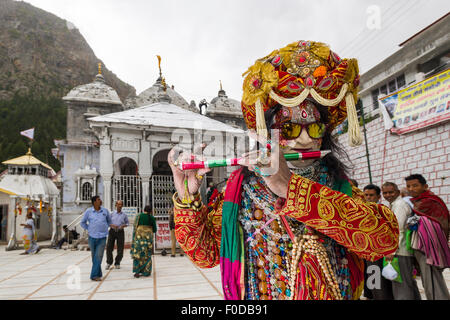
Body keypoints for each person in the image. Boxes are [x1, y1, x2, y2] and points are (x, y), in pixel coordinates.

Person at [168, 40, 399, 300]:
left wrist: (291, 188)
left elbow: (385, 240)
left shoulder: (338, 187)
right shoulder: (243, 188)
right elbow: (205, 255)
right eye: (289, 129)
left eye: (313, 128)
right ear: (270, 134)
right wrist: (187, 199)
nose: (303, 140)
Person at [405, 174, 450, 300]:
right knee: (429, 279)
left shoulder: (429, 201)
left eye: (415, 185)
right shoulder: (418, 201)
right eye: (408, 186)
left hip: (429, 247)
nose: (411, 189)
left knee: (431, 280)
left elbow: (440, 224)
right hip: (423, 245)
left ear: (425, 186)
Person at [381, 182, 421, 300]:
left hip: (399, 251)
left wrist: (391, 251)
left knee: (401, 285)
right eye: (385, 193)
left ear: (398, 192)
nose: (388, 195)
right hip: (401, 250)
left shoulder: (399, 205)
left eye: (391, 192)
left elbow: (398, 230)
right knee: (408, 283)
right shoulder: (395, 204)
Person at [362, 184, 394, 300]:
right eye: (366, 195)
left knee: (381, 281)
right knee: (373, 280)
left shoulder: (383, 211)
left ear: (378, 196)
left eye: (371, 195)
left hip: (380, 252)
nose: (369, 197)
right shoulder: (363, 210)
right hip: (368, 252)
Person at [80, 195, 114, 281]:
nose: (101, 201)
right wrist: (89, 229)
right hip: (92, 237)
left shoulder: (105, 211)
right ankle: (98, 273)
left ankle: (94, 275)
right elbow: (82, 222)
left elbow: (109, 221)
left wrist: (107, 227)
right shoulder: (88, 211)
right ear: (94, 202)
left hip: (102, 237)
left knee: (98, 256)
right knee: (94, 257)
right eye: (99, 200)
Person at [131, 204, 157, 278]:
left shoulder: (138, 216)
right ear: (151, 211)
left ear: (144, 210)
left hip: (138, 238)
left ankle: (137, 271)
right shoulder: (151, 218)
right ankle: (146, 271)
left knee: (138, 253)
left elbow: (135, 227)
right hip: (148, 239)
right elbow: (155, 230)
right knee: (147, 254)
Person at [106, 200, 129, 270]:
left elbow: (127, 223)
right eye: (118, 204)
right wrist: (112, 225)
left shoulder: (124, 215)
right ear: (116, 205)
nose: (120, 206)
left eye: (121, 204)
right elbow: (107, 222)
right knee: (109, 247)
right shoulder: (112, 213)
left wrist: (123, 226)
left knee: (120, 248)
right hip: (112, 231)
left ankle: (117, 262)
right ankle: (109, 262)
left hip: (120, 232)